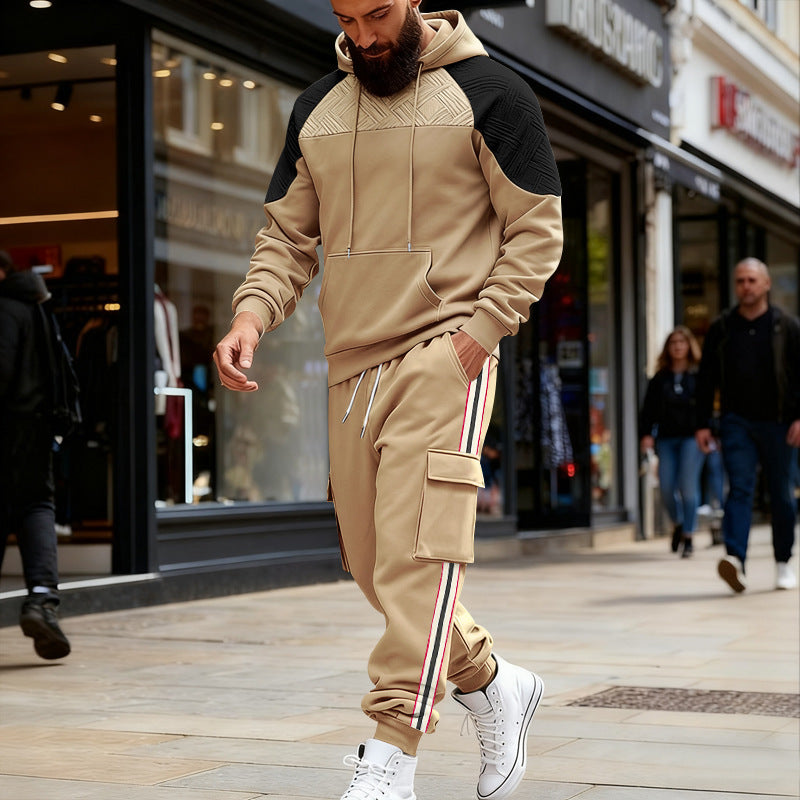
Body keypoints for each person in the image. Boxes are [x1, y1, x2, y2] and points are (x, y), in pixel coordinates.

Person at [213, 3, 563, 798]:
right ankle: (495, 683)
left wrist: (479, 334)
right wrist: (250, 315)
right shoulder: (318, 107)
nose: (365, 38)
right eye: (347, 18)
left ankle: (390, 759)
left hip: (444, 352)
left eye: (378, 15)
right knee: (375, 569)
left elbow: (536, 230)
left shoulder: (491, 92)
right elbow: (287, 237)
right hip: (350, 365)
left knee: (417, 561)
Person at [696, 258, 800, 593]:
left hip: (780, 422)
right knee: (739, 488)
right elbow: (706, 378)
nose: (746, 286)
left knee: (781, 493)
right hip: (735, 421)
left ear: (766, 284)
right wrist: (702, 423)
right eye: (740, 280)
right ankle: (736, 560)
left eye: (752, 280)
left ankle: (783, 562)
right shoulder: (722, 328)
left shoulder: (786, 326)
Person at [0, 250, 71, 659]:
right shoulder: (37, 305)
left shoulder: (6, 309)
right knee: (36, 506)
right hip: (37, 430)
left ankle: (42, 605)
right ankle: (43, 600)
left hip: (10, 428)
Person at [640, 326, 705, 557]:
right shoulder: (659, 378)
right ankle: (678, 522)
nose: (678, 347)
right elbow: (648, 410)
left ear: (689, 346)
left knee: (688, 487)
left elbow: (706, 407)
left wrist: (709, 431)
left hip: (692, 438)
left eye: (682, 342)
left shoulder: (698, 376)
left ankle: (688, 535)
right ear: (668, 348)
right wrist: (646, 434)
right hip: (666, 438)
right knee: (666, 487)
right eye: (673, 343)